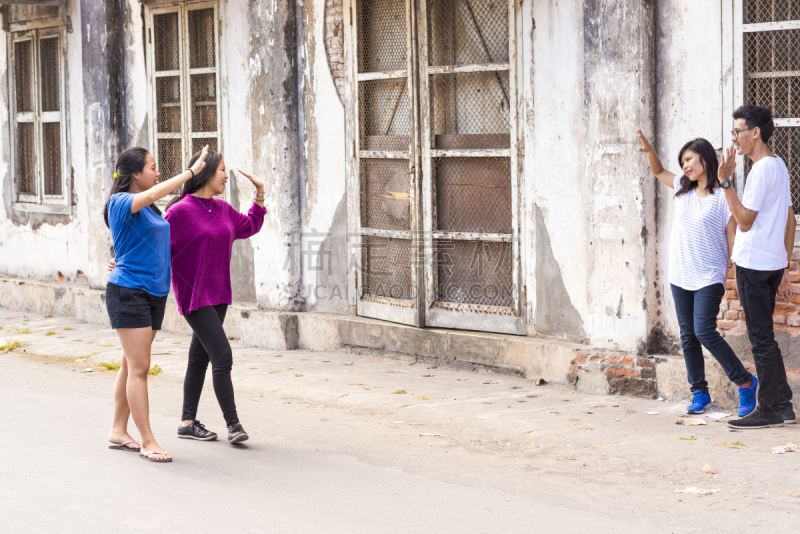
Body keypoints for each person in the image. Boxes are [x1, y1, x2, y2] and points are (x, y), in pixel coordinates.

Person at [110, 150, 266, 443]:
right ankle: (234, 425)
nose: (225, 176)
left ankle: (187, 422)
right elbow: (151, 243)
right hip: (193, 296)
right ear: (205, 173)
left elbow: (249, 226)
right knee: (222, 355)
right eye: (221, 169)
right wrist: (118, 259)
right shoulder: (179, 211)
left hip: (219, 294)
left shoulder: (223, 209)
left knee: (199, 357)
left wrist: (259, 194)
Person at [637, 130, 757, 416]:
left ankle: (745, 382)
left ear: (706, 159)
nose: (685, 166)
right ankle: (699, 392)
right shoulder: (682, 187)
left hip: (709, 274)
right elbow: (658, 171)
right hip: (680, 274)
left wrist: (737, 275)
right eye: (682, 162)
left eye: (689, 159)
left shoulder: (722, 197)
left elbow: (732, 239)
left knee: (704, 330)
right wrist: (651, 150)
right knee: (688, 335)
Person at [104, 145, 210, 463]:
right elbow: (151, 196)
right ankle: (148, 441)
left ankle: (118, 430)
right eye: (152, 167)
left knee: (129, 364)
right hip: (129, 292)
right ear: (135, 174)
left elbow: (140, 243)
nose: (157, 171)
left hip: (153, 292)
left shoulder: (150, 210)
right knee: (139, 368)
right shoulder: (121, 201)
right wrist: (190, 173)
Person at [719, 105, 796, 429]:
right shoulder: (779, 166)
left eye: (738, 131)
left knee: (760, 339)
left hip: (753, 265)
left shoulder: (761, 170)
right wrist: (785, 262)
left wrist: (725, 182)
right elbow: (790, 219)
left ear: (756, 132)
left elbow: (745, 222)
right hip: (771, 263)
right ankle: (784, 404)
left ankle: (768, 410)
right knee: (767, 338)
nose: (734, 137)